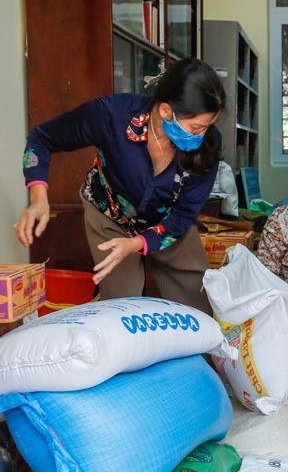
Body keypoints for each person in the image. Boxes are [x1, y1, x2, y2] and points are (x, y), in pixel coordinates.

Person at [15, 57, 225, 315]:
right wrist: (38, 197)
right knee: (121, 309)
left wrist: (138, 242)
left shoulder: (207, 145)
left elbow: (184, 214)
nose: (202, 135)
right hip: (110, 215)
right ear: (166, 111)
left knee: (197, 303)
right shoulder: (112, 116)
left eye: (207, 126)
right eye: (196, 127)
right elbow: (41, 139)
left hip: (168, 220)